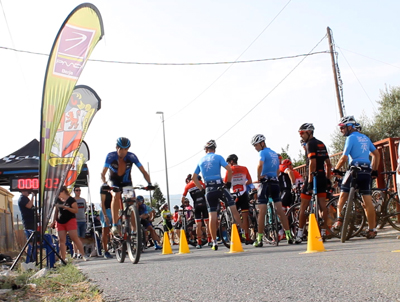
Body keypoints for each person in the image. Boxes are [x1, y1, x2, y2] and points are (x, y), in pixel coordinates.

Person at [332, 115, 380, 239]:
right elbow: (376, 154)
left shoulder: (351, 138)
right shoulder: (365, 138)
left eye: (342, 127)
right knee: (367, 202)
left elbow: (344, 157)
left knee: (343, 194)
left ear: (350, 127)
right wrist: (374, 171)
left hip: (355, 170)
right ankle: (372, 230)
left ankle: (339, 220)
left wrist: (336, 169)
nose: (341, 130)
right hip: (366, 171)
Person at [192, 140, 244, 251]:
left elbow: (194, 178)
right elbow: (229, 169)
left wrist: (202, 189)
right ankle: (242, 233)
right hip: (219, 186)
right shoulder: (218, 157)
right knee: (233, 208)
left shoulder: (201, 160)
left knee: (212, 215)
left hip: (209, 188)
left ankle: (214, 242)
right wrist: (228, 183)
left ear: (206, 150)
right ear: (214, 149)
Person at [100, 137, 153, 236]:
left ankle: (134, 229)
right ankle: (115, 224)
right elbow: (102, 173)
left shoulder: (131, 156)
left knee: (132, 202)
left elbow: (143, 171)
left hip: (126, 182)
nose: (123, 151)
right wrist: (104, 183)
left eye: (126, 149)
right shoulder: (111, 156)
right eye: (121, 149)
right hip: (114, 181)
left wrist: (149, 183)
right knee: (116, 195)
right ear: (117, 148)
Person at [251, 134, 293, 247]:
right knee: (280, 210)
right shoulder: (274, 153)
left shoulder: (262, 153)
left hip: (265, 183)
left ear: (262, 143)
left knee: (262, 212)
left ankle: (259, 239)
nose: (255, 147)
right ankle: (289, 235)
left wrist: (259, 176)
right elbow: (278, 171)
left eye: (256, 145)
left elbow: (260, 165)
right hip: (275, 182)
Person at [295, 123, 332, 243]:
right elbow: (329, 163)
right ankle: (323, 231)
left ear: (309, 132)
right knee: (323, 206)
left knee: (303, 207)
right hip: (322, 176)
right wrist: (327, 178)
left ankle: (300, 234)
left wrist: (310, 181)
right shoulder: (321, 143)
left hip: (313, 177)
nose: (301, 136)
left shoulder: (310, 144)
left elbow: (312, 163)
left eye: (302, 133)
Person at [50, 186, 87, 262]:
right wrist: (53, 221)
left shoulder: (71, 200)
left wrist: (66, 208)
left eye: (59, 193)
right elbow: (56, 211)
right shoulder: (57, 200)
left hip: (70, 220)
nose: (58, 195)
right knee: (61, 240)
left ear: (63, 191)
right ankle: (63, 258)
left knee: (74, 238)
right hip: (60, 221)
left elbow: (76, 210)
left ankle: (83, 254)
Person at [224, 154, 254, 245]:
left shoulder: (229, 170)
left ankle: (236, 237)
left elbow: (226, 183)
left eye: (228, 162)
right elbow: (250, 181)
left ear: (232, 161)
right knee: (245, 216)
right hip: (243, 193)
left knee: (234, 217)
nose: (228, 164)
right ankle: (247, 237)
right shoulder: (244, 168)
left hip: (233, 194)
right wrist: (243, 183)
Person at [182, 174, 211, 249]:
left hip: (196, 205)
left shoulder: (188, 186)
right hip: (204, 204)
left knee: (198, 225)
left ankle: (199, 243)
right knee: (207, 223)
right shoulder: (201, 183)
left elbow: (183, 197)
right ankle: (210, 241)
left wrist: (182, 204)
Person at [72, 186, 86, 258]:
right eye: (77, 190)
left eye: (79, 190)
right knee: (75, 237)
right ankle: (75, 252)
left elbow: (85, 209)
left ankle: (80, 252)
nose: (78, 191)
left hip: (83, 220)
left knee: (81, 237)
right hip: (75, 221)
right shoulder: (72, 200)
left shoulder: (83, 200)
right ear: (74, 191)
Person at [100, 187, 113, 259]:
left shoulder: (116, 188)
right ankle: (105, 251)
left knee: (118, 227)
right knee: (105, 231)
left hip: (114, 210)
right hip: (106, 210)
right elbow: (102, 203)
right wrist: (105, 215)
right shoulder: (104, 188)